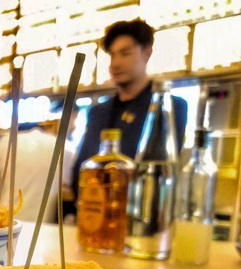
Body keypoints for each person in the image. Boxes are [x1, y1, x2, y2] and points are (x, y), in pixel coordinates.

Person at [70, 19, 187, 208]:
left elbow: (158, 172)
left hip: (141, 216)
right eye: (112, 55)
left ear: (147, 52)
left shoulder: (168, 107)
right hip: (95, 213)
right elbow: (81, 168)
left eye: (125, 53)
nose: (115, 64)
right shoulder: (98, 112)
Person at [0, 123, 75, 223]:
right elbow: (67, 186)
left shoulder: (6, 141)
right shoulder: (64, 145)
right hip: (45, 222)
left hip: (7, 221)